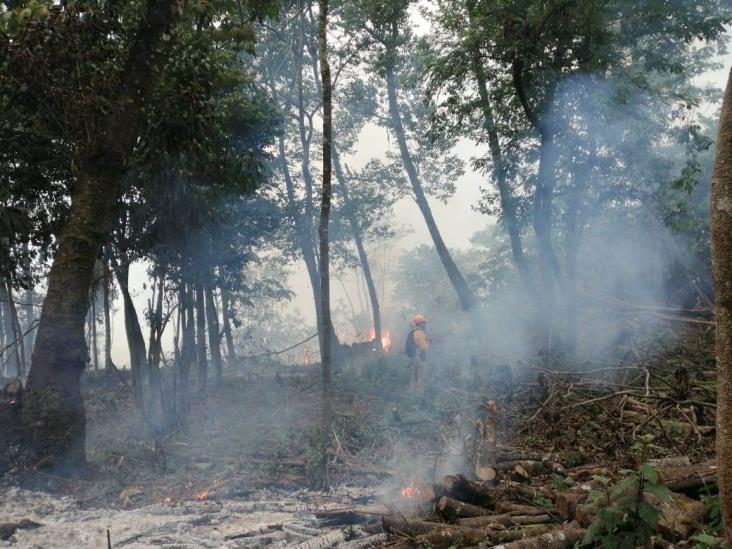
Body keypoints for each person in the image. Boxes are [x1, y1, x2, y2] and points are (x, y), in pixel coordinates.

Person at [405, 313, 430, 395]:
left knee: (414, 378)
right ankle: (419, 396)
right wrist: (428, 342)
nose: (425, 324)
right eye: (423, 322)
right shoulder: (420, 333)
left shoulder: (412, 332)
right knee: (421, 377)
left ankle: (412, 396)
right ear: (420, 323)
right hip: (420, 358)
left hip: (414, 358)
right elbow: (423, 347)